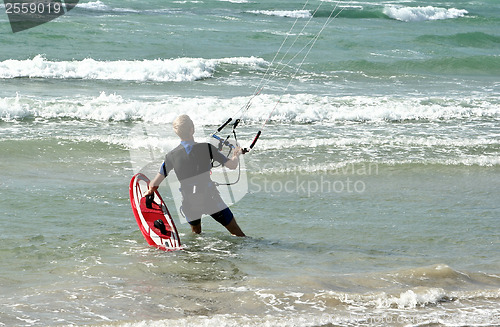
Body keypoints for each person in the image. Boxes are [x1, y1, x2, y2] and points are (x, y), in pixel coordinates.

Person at [144, 114, 246, 237]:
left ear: (177, 132)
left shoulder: (171, 156)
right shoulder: (207, 148)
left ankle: (195, 256)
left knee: (196, 235)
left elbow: (154, 184)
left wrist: (149, 190)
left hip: (189, 202)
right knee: (237, 233)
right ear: (192, 129)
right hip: (211, 199)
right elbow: (232, 165)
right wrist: (237, 154)